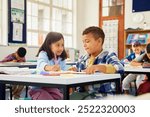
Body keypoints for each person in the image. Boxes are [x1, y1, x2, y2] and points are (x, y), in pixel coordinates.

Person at [70, 26, 124, 98]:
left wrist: (98, 67)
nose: (84, 45)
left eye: (87, 41)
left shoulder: (108, 55)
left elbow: (119, 68)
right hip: (84, 93)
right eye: (83, 42)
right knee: (70, 97)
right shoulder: (83, 58)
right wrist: (73, 69)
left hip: (102, 95)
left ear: (99, 41)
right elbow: (77, 68)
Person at [29, 32, 67, 100]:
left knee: (60, 97)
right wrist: (50, 68)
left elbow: (64, 71)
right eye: (57, 45)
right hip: (39, 87)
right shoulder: (43, 54)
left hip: (52, 86)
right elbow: (41, 64)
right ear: (49, 45)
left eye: (62, 45)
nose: (61, 48)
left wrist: (70, 70)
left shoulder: (61, 58)